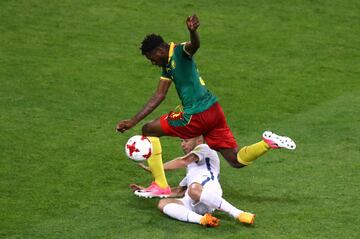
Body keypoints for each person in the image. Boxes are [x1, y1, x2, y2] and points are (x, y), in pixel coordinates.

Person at [117, 14, 296, 197]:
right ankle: (267, 143)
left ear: (160, 49)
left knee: (148, 130)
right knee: (236, 160)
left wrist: (193, 32)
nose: (152, 62)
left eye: (152, 57)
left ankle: (160, 185)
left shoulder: (179, 51)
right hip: (214, 111)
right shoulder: (167, 66)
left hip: (195, 115)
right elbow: (159, 95)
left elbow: (194, 46)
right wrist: (132, 121)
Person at [130, 136, 256, 227]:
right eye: (181, 141)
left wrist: (156, 168)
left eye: (186, 140)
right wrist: (147, 191)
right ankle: (202, 219)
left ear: (199, 140)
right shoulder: (191, 170)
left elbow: (182, 161)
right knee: (163, 203)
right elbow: (178, 191)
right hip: (194, 198)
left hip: (209, 191)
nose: (182, 144)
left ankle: (238, 213)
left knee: (193, 189)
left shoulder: (205, 148)